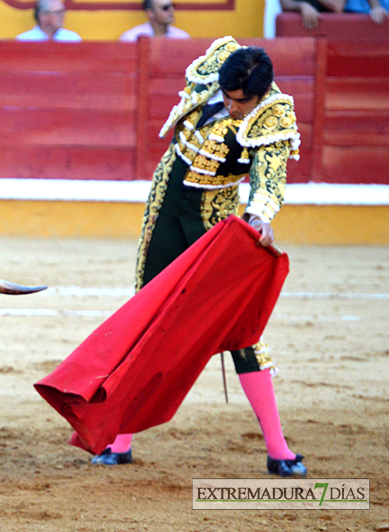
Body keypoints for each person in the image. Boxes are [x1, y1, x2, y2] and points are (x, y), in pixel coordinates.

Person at [91, 37, 307, 478]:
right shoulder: (217, 70)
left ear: (261, 95)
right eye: (226, 96)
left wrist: (261, 215)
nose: (230, 105)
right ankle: (122, 440)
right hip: (167, 204)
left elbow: (270, 175)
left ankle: (279, 450)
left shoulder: (273, 117)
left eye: (239, 101)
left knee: (242, 329)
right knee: (147, 314)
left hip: (214, 218)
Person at [119, 0, 190, 41]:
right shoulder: (131, 37)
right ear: (151, 13)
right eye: (165, 8)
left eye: (172, 6)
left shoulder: (182, 37)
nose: (171, 10)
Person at [16, 0, 82, 42]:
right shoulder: (24, 40)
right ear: (43, 16)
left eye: (62, 12)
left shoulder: (72, 39)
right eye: (58, 12)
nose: (62, 16)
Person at [279, 0, 345, 30]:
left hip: (330, 31)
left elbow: (337, 6)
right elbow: (284, 4)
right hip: (298, 31)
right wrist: (302, 6)